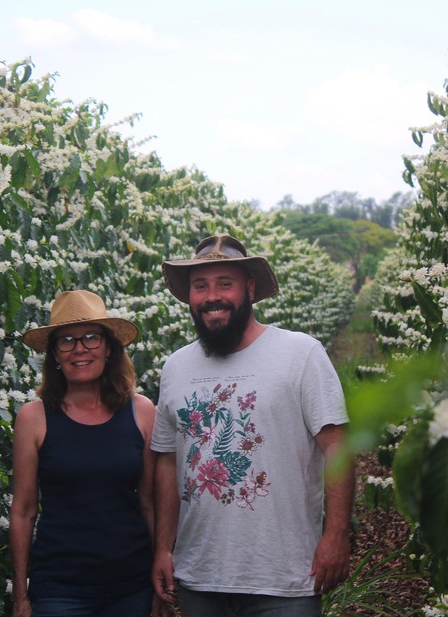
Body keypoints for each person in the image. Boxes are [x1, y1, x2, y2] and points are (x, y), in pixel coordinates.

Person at [150, 234, 354, 617]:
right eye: (200, 286)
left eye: (225, 283)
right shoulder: (176, 367)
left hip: (283, 578)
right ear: (189, 297)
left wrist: (336, 533)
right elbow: (166, 460)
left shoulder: (300, 353)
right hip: (199, 576)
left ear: (250, 288)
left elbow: (337, 445)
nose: (212, 296)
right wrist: (164, 547)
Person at [9, 290, 159, 617]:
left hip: (131, 587)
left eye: (91, 337)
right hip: (59, 589)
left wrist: (161, 570)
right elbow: (23, 510)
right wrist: (21, 595)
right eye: (66, 341)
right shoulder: (34, 418)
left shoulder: (142, 412)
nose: (79, 349)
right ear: (54, 356)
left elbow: (149, 502)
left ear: (109, 349)